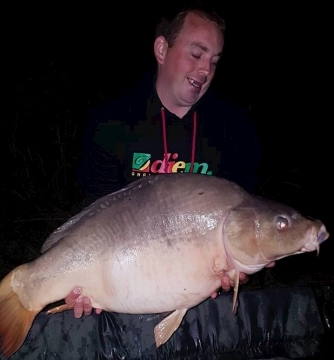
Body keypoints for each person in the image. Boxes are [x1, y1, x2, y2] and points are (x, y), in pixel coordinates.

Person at [62, 3, 275, 318]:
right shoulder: (111, 123)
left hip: (200, 299)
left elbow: (243, 219)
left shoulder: (233, 130)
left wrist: (238, 268)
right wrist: (84, 283)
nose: (205, 71)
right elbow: (96, 211)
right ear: (162, 49)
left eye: (214, 61)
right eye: (196, 54)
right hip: (126, 282)